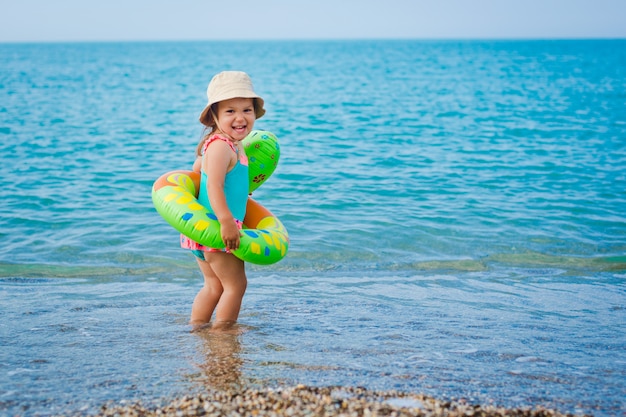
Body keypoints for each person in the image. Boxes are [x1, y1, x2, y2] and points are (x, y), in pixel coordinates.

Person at [180, 71, 266, 331]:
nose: (240, 117)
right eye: (230, 111)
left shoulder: (230, 143)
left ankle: (197, 328)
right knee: (236, 285)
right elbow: (214, 185)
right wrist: (227, 221)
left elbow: (200, 169)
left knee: (214, 285)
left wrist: (238, 192)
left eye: (247, 110)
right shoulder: (221, 146)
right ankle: (224, 333)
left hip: (206, 230)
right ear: (214, 116)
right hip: (219, 228)